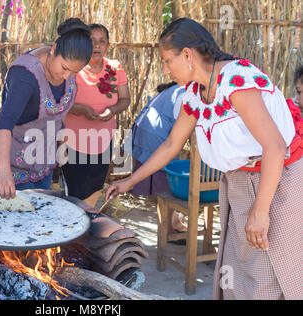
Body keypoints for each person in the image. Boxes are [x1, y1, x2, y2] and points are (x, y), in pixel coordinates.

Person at [106, 18, 302, 300]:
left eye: (166, 61)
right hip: (241, 182)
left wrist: (261, 211)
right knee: (240, 271)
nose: (164, 69)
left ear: (187, 55)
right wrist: (130, 180)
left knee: (274, 268)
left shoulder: (237, 80)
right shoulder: (195, 95)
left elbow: (274, 147)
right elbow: (172, 144)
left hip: (279, 180)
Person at [0, 18, 93, 199]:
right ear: (53, 50)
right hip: (14, 160)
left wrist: (61, 146)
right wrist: (4, 172)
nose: (67, 76)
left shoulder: (68, 68)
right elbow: (5, 122)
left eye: (75, 72)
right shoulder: (25, 76)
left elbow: (61, 113)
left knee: (42, 214)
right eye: (65, 68)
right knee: (21, 219)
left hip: (44, 157)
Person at [61, 24, 130, 207]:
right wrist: (81, 109)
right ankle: (75, 230)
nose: (97, 46)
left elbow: (124, 99)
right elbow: (59, 103)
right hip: (73, 141)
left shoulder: (115, 68)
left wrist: (112, 110)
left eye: (102, 41)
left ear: (108, 45)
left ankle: (88, 227)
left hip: (102, 140)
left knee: (95, 189)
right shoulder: (74, 68)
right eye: (92, 41)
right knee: (75, 193)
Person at [130, 82, 188, 239]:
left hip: (144, 130)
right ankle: (169, 230)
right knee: (167, 185)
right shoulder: (186, 92)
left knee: (165, 184)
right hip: (155, 135)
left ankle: (173, 224)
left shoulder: (176, 89)